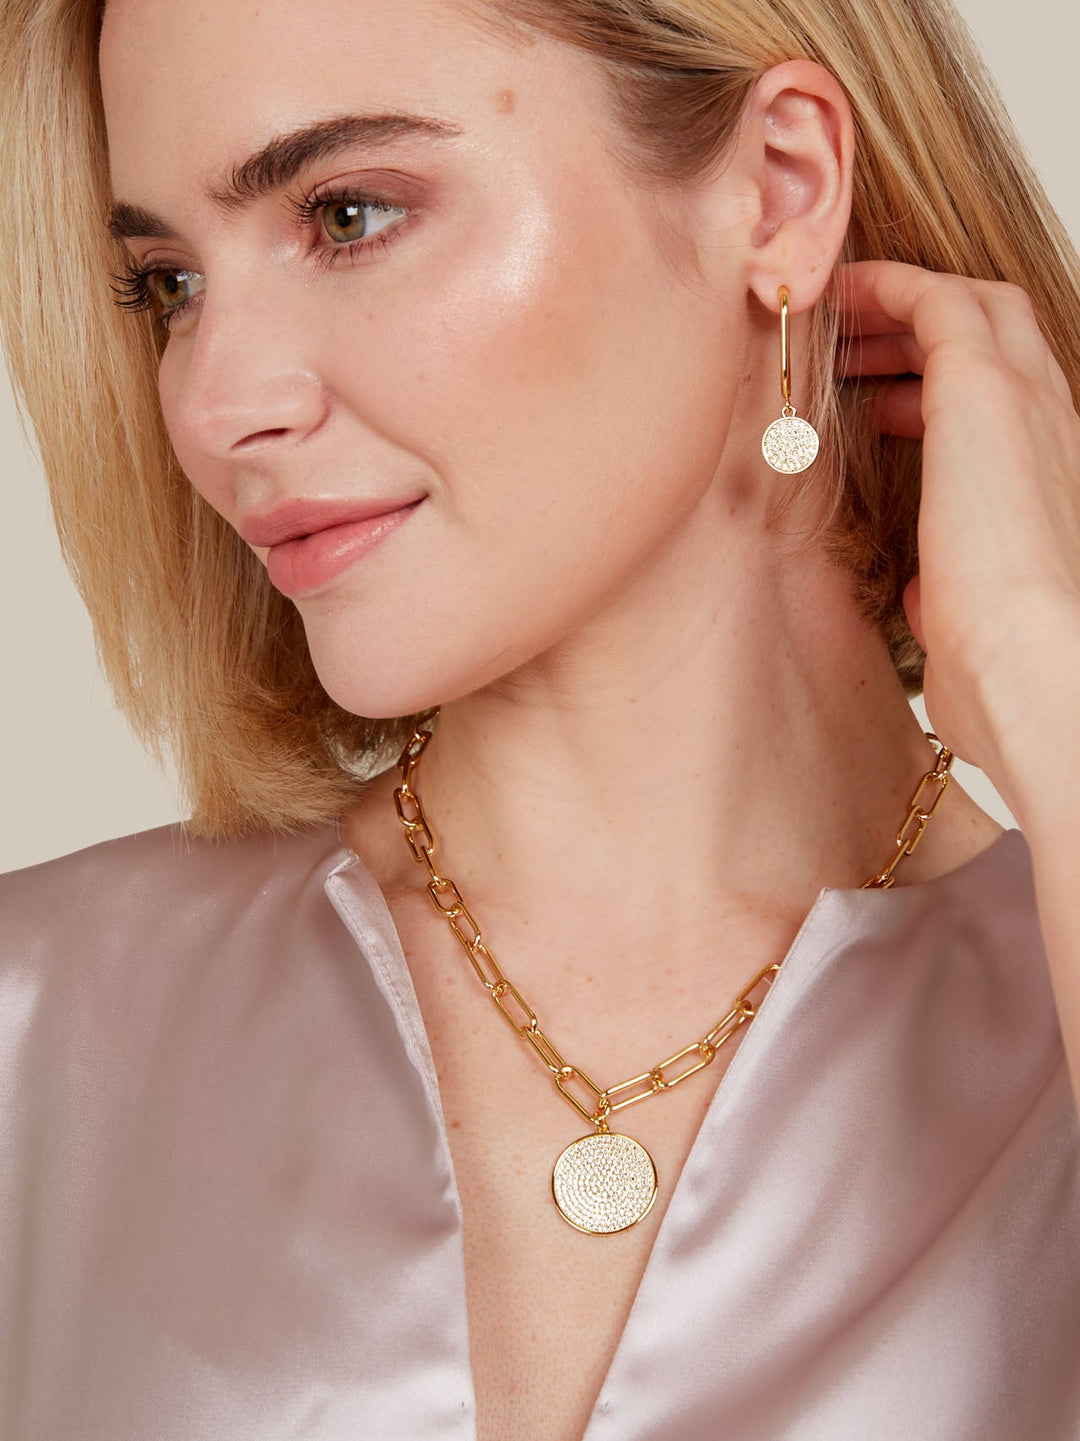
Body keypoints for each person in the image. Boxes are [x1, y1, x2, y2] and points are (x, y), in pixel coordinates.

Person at [1, 0, 1078, 1436]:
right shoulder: (41, 1029)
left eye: (347, 214)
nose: (215, 406)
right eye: (169, 286)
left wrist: (1050, 675)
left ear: (780, 191)